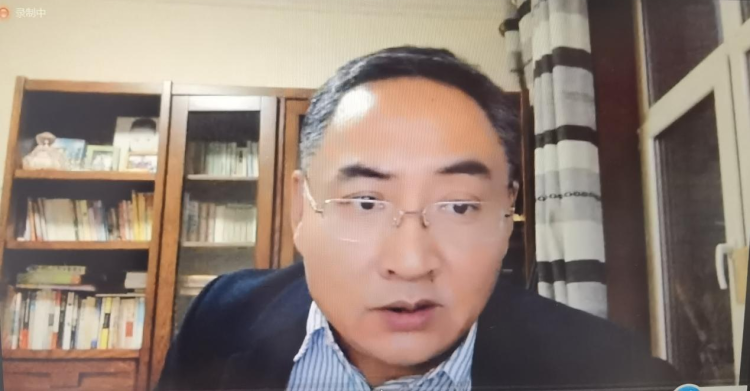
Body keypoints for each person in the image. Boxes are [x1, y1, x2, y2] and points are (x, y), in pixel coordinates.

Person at [157, 47, 680, 390]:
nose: (410, 263)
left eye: (459, 206)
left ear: (506, 218)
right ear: (301, 209)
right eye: (366, 202)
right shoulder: (221, 316)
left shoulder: (607, 369)